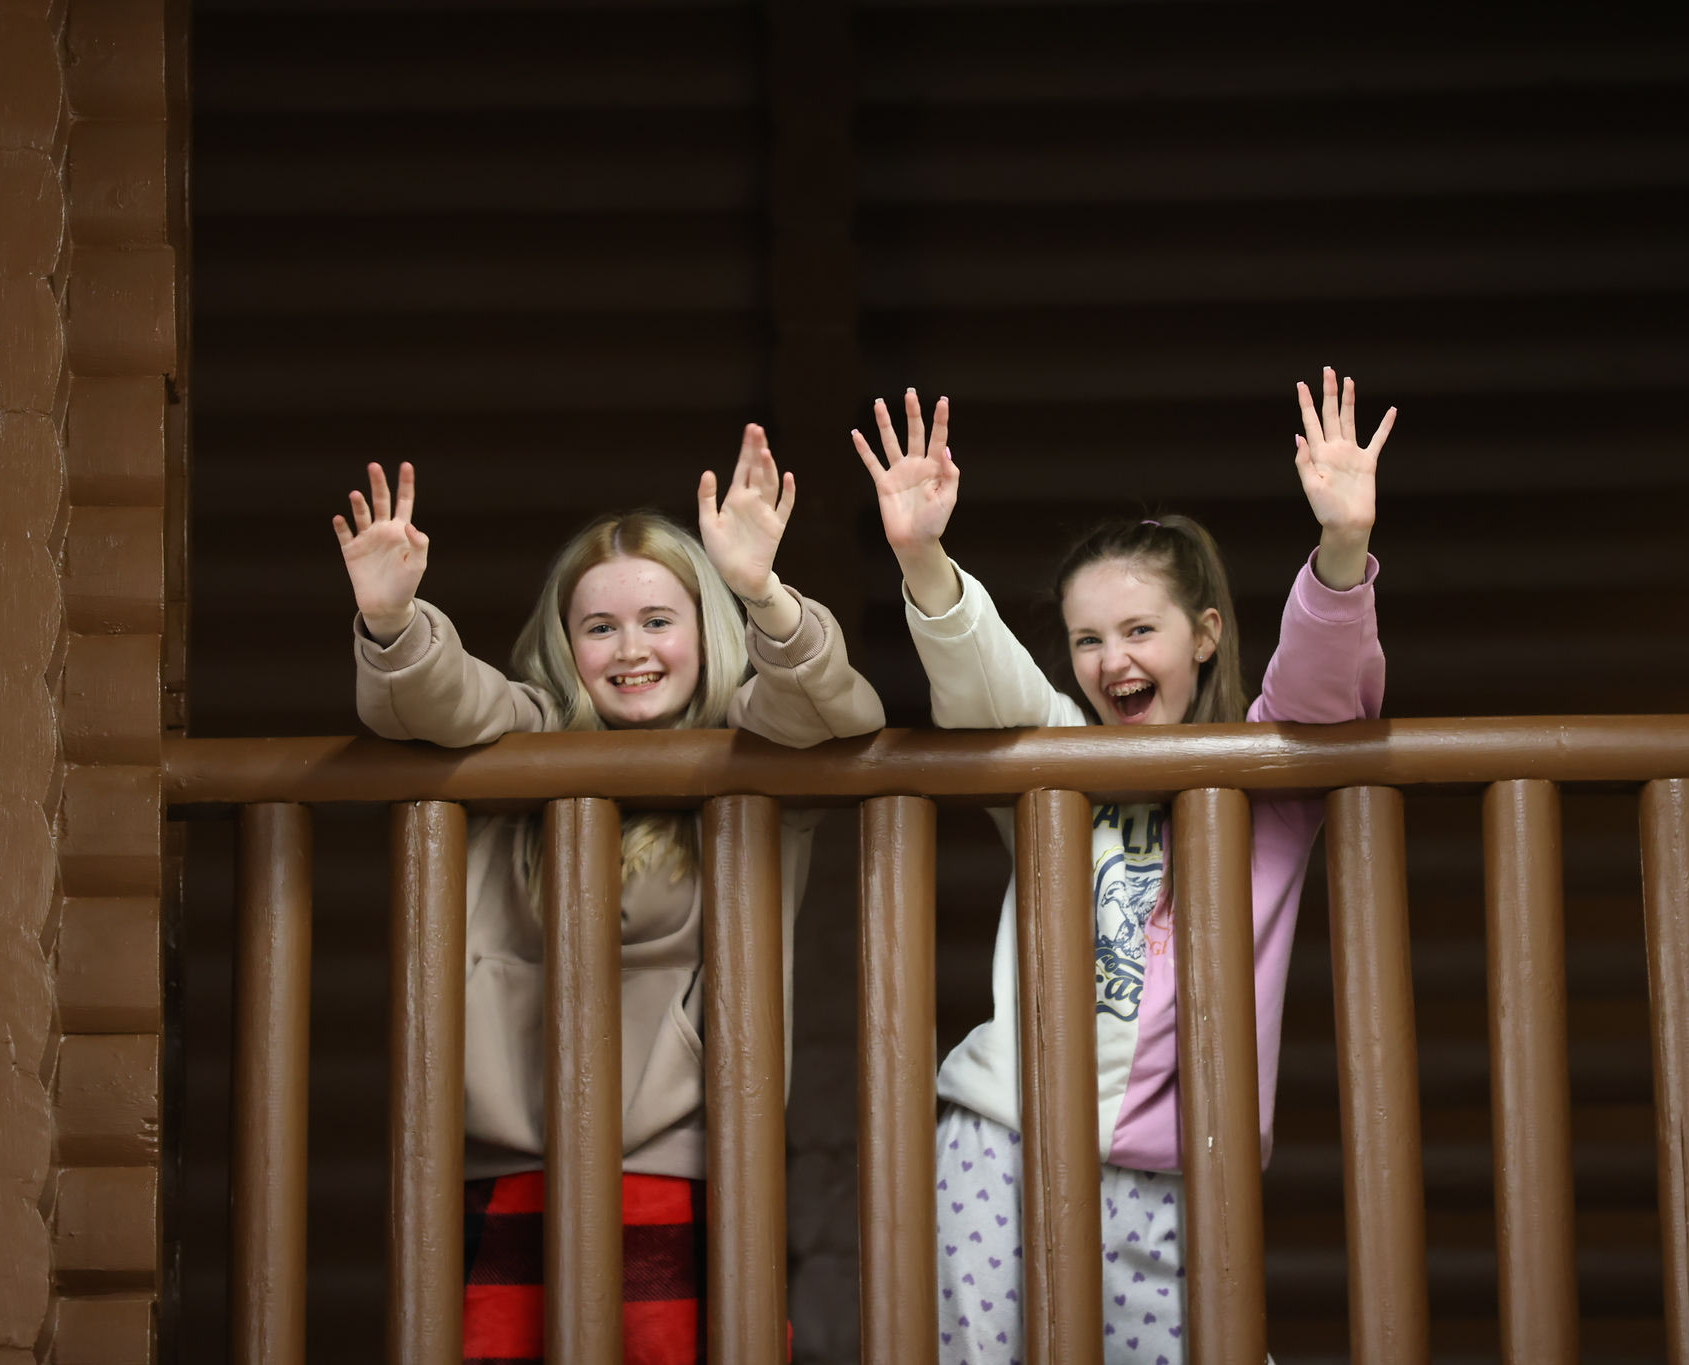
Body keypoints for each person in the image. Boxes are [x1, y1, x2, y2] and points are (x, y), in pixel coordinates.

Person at [855, 369, 1393, 1364]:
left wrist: (1342, 545)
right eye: (1087, 640)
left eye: (1140, 631)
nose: (1112, 661)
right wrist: (924, 558)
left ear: (1204, 635)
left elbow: (1322, 688)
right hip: (1005, 1146)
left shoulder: (1264, 779)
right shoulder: (1058, 755)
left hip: (1176, 1176)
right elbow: (981, 680)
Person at [335, 424, 884, 1365]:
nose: (631, 648)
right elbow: (440, 700)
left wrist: (762, 592)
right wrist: (393, 623)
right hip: (511, 1160)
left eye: (658, 620)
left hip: (674, 1165)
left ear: (703, 630)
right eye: (600, 627)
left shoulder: (755, 736)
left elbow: (836, 710)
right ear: (566, 645)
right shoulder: (531, 727)